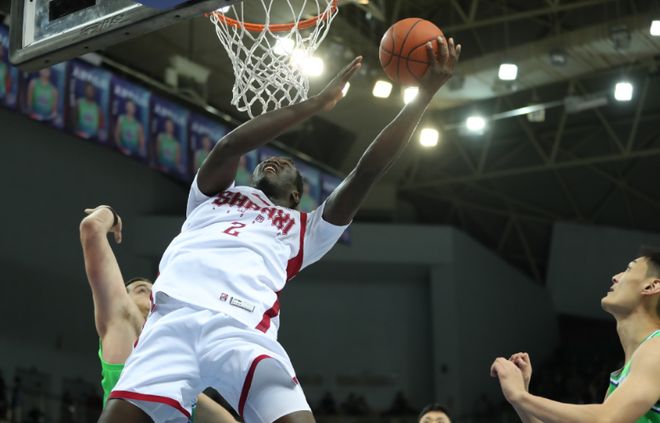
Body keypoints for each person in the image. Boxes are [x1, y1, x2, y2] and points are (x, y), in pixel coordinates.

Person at [99, 35, 461, 423]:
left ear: (296, 195)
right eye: (267, 161)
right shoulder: (211, 197)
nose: (273, 161)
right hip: (172, 322)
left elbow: (367, 171)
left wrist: (423, 96)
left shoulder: (306, 229)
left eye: (287, 166)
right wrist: (315, 104)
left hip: (243, 331)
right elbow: (229, 147)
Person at [79, 205, 237, 422]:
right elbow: (92, 227)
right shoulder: (124, 321)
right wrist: (109, 214)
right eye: (140, 290)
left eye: (153, 290)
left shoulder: (182, 382)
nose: (151, 293)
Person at [491, 248, 660, 423]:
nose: (615, 277)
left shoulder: (657, 348)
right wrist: (520, 397)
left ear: (651, 286)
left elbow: (605, 419)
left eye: (628, 269)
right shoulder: (623, 381)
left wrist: (520, 396)